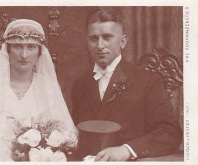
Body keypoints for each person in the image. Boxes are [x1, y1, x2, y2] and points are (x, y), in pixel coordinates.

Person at [0, 19, 77, 161]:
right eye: (18, 46)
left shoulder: (47, 86)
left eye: (31, 47)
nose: (24, 55)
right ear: (8, 50)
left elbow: (64, 134)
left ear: (39, 52)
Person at [71, 9, 182, 161]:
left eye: (107, 37)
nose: (100, 45)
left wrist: (127, 150)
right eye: (93, 38)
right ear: (87, 42)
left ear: (123, 41)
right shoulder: (80, 84)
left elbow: (170, 132)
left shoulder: (148, 80)